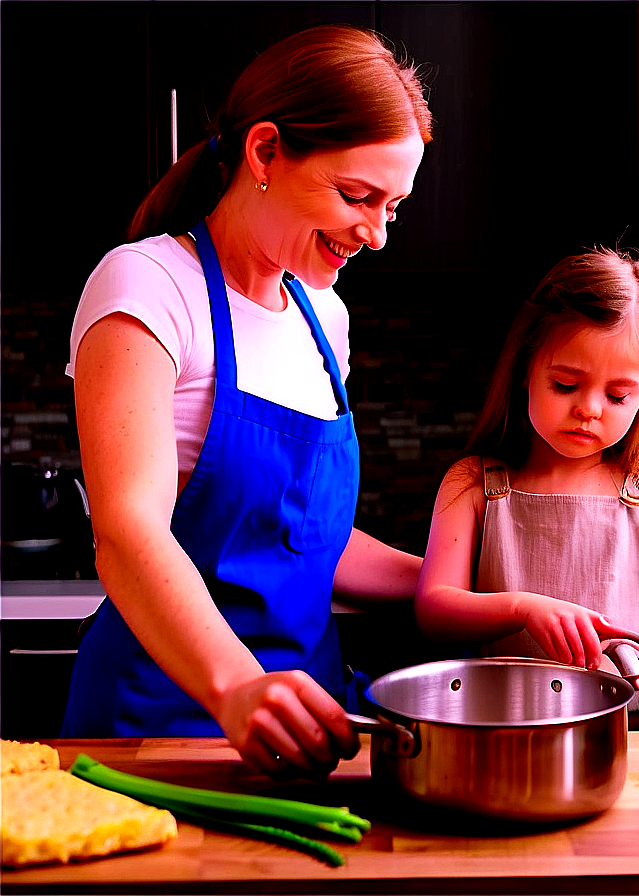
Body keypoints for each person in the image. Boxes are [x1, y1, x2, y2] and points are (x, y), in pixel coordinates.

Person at [61, 24, 433, 778]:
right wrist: (237, 686)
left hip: (310, 724)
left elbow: (300, 539)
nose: (377, 234)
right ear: (265, 152)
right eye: (358, 196)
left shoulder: (324, 316)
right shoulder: (148, 287)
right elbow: (128, 535)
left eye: (392, 206)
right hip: (158, 726)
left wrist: (458, 583)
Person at [415, 248, 639, 728]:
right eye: (566, 385)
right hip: (510, 733)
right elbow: (434, 609)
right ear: (526, 370)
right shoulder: (472, 484)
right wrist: (522, 608)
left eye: (617, 395)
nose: (590, 409)